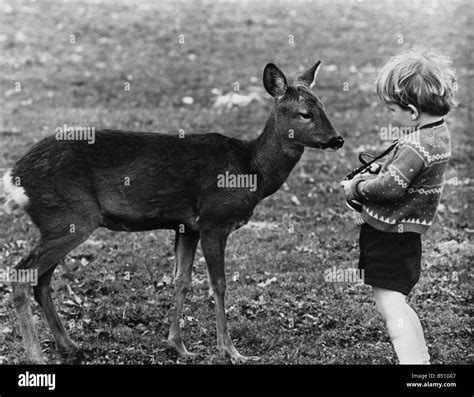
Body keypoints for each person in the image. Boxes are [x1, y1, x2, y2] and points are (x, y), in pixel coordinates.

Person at [340, 47, 456, 364]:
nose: (389, 115)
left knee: (390, 305)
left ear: (412, 111)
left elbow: (391, 188)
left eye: (392, 110)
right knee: (397, 302)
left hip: (389, 235)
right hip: (405, 235)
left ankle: (413, 365)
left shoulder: (417, 144)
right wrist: (383, 169)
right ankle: (420, 360)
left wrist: (357, 187)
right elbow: (403, 175)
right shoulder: (437, 133)